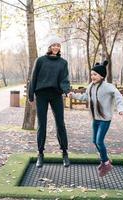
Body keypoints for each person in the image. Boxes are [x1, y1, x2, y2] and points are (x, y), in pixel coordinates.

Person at [70, 60, 123, 177]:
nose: (93, 77)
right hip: (95, 118)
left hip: (105, 119)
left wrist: (121, 109)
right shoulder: (91, 86)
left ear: (102, 76)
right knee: (95, 141)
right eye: (91, 74)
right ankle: (104, 160)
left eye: (95, 74)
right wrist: (73, 95)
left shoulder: (108, 87)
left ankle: (106, 163)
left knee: (99, 141)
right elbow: (85, 96)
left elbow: (118, 97)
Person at [28, 36, 71, 168]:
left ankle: (64, 153)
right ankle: (40, 154)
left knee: (60, 123)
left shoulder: (63, 63)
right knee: (42, 124)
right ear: (49, 47)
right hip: (41, 95)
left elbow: (64, 79)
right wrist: (31, 96)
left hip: (56, 95)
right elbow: (33, 78)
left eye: (58, 45)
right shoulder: (40, 61)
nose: (56, 47)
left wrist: (66, 90)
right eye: (53, 45)